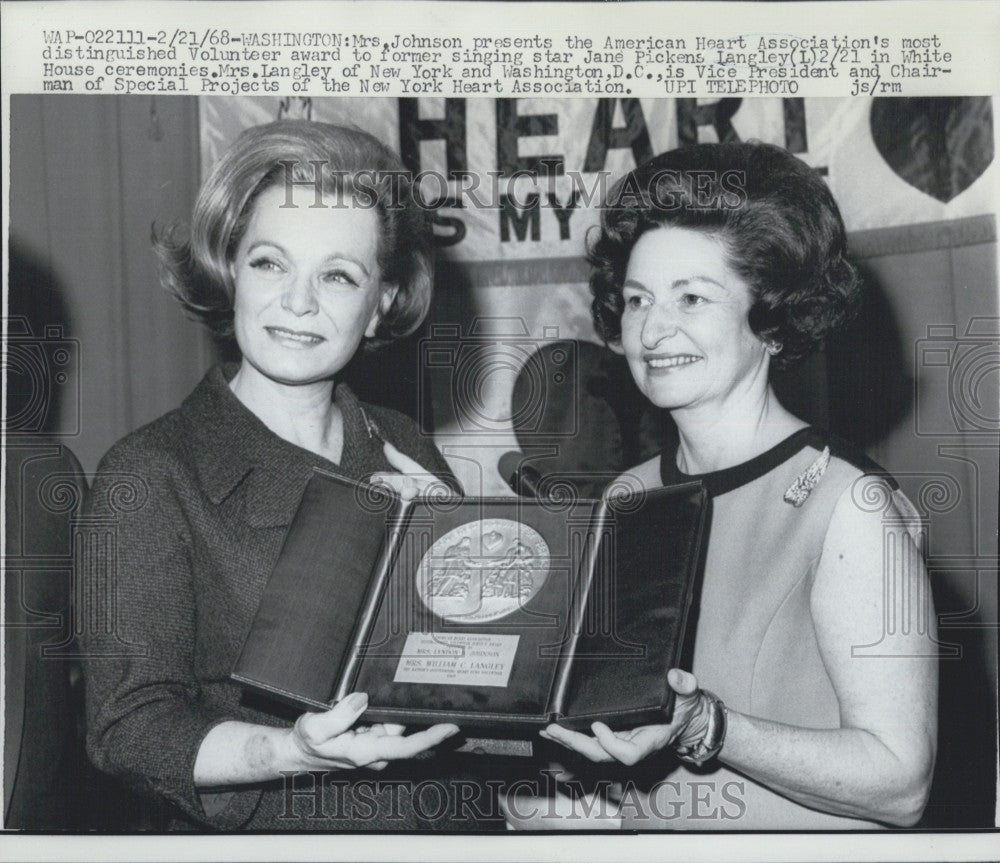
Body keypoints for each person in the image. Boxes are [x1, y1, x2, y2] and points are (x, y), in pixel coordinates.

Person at [504, 142, 937, 830]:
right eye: (639, 298)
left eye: (692, 297)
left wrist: (708, 725)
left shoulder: (847, 502)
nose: (652, 328)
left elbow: (901, 780)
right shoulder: (629, 495)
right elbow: (635, 749)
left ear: (770, 318)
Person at [81, 121, 467, 830]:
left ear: (381, 300)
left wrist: (462, 561)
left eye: (338, 275)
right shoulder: (149, 473)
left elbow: (472, 677)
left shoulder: (405, 442)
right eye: (269, 263)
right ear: (230, 270)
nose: (298, 302)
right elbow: (126, 730)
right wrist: (291, 750)